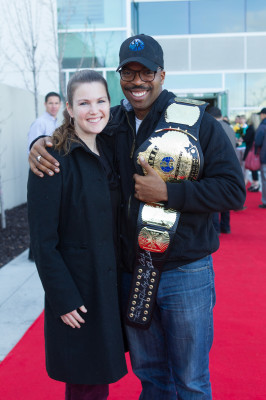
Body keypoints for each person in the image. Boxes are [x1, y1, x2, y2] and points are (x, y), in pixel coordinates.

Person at [28, 35, 246, 399]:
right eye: (128, 73)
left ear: (162, 74)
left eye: (146, 72)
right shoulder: (112, 122)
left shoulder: (197, 122)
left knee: (191, 380)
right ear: (120, 78)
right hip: (135, 273)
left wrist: (169, 193)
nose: (137, 81)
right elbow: (76, 134)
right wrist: (38, 146)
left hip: (184, 272)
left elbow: (233, 192)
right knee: (150, 376)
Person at [27, 70, 127, 400]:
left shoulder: (111, 150)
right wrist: (63, 298)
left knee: (95, 383)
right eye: (83, 103)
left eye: (100, 101)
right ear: (68, 108)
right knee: (86, 384)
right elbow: (43, 242)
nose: (94, 110)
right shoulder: (52, 158)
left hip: (108, 288)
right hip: (78, 294)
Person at [207, 106, 236, 234]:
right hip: (231, 168)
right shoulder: (230, 128)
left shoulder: (211, 127)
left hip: (215, 167)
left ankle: (216, 228)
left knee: (213, 199)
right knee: (226, 197)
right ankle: (226, 226)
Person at [243, 113, 261, 192]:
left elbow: (246, 139)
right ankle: (255, 184)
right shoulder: (259, 127)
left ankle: (255, 184)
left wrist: (243, 136)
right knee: (255, 168)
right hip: (257, 150)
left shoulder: (251, 128)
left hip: (250, 149)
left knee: (252, 167)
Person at [255, 107, 266, 208]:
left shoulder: (262, 126)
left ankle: (265, 201)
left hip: (265, 156)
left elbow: (258, 141)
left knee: (265, 179)